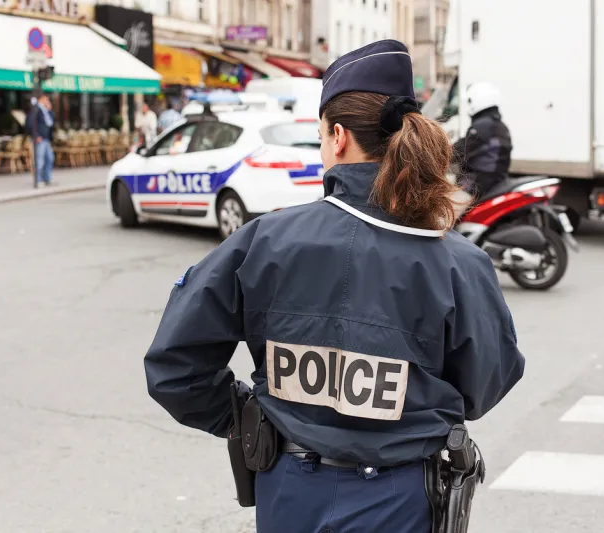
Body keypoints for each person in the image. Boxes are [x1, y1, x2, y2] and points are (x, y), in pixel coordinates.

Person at [144, 40, 525, 533]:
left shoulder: (263, 242)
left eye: (322, 135)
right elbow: (487, 381)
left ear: (339, 137)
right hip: (402, 499)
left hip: (288, 491)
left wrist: (248, 416)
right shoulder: (458, 262)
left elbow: (176, 370)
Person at [451, 81, 513, 219]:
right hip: (496, 181)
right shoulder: (500, 125)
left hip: (478, 183)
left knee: (443, 216)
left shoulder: (482, 127)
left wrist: (437, 156)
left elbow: (458, 150)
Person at [24, 94, 55, 187]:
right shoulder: (36, 109)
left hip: (46, 138)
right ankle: (38, 179)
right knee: (39, 160)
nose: (47, 101)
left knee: (50, 158)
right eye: (46, 99)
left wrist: (50, 110)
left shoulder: (45, 110)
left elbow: (50, 122)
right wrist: (36, 136)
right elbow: (29, 124)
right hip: (40, 139)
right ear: (41, 99)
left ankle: (47, 178)